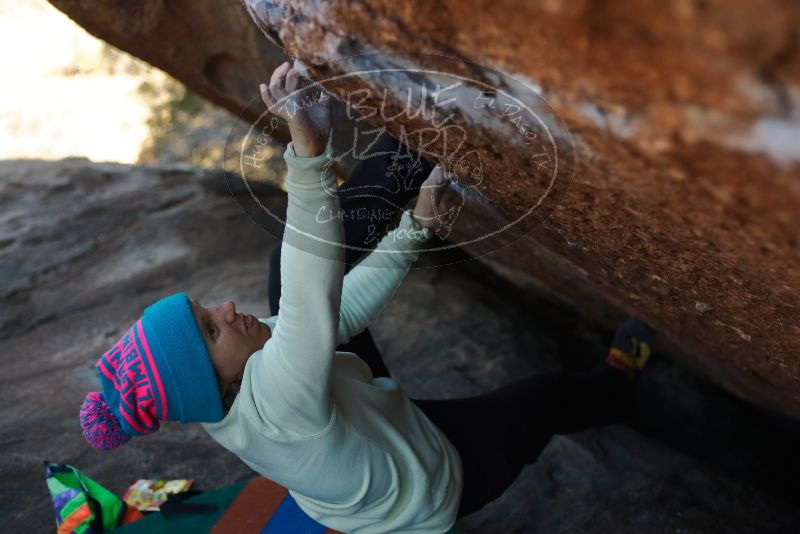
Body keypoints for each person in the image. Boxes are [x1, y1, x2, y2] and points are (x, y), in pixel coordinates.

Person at [79, 62, 655, 533]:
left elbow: (336, 311)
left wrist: (415, 226)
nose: (226, 309)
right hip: (429, 487)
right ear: (218, 381)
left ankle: (425, 139)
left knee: (288, 272)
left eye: (206, 311)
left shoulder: (224, 391)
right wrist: (307, 154)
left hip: (370, 426)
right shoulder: (276, 405)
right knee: (546, 397)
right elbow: (314, 293)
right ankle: (619, 384)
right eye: (212, 329)